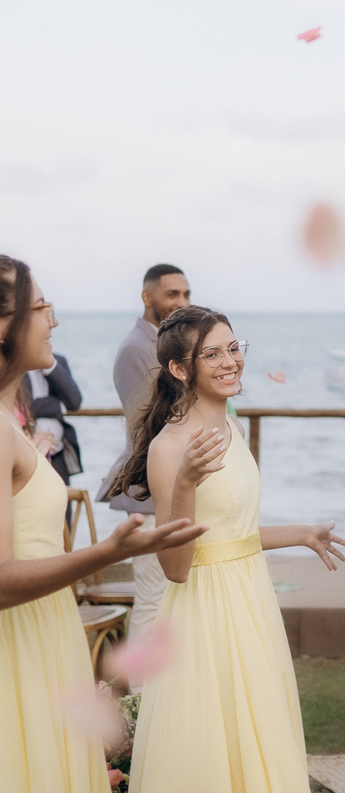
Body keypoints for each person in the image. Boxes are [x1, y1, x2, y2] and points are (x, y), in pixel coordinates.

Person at [109, 305, 345, 792]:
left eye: (234, 348)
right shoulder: (170, 447)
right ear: (180, 369)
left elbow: (232, 536)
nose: (230, 361)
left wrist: (301, 532)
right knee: (209, 742)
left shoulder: (234, 431)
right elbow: (176, 566)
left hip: (251, 602)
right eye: (212, 353)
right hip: (203, 612)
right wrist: (186, 482)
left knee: (258, 727)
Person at [0, 255, 205, 793]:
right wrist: (105, 552)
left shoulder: (10, 420)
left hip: (46, 629)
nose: (54, 320)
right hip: (16, 643)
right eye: (41, 306)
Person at [98, 264, 190, 655]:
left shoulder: (162, 344)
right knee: (153, 597)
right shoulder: (139, 347)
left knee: (168, 597)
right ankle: (139, 699)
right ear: (147, 297)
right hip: (151, 484)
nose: (181, 302)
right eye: (172, 294)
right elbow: (150, 426)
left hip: (171, 482)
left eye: (186, 294)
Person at [22, 352, 83, 484]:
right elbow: (23, 407)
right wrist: (59, 405)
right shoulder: (16, 364)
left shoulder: (58, 362)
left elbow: (74, 402)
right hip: (28, 454)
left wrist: (50, 366)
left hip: (58, 452)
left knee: (64, 501)